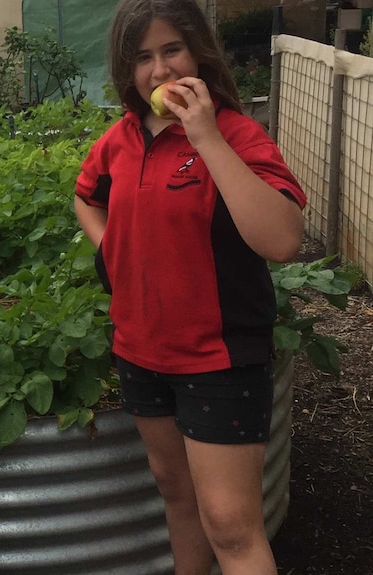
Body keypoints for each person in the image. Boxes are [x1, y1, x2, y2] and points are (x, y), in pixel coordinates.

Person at [73, 1, 306, 573]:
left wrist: (206, 137)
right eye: (143, 57)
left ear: (199, 50)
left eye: (171, 49)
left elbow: (282, 240)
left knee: (231, 526)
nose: (160, 71)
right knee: (179, 501)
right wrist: (111, 247)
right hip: (142, 352)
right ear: (128, 69)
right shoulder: (121, 140)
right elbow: (85, 195)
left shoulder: (238, 134)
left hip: (219, 359)